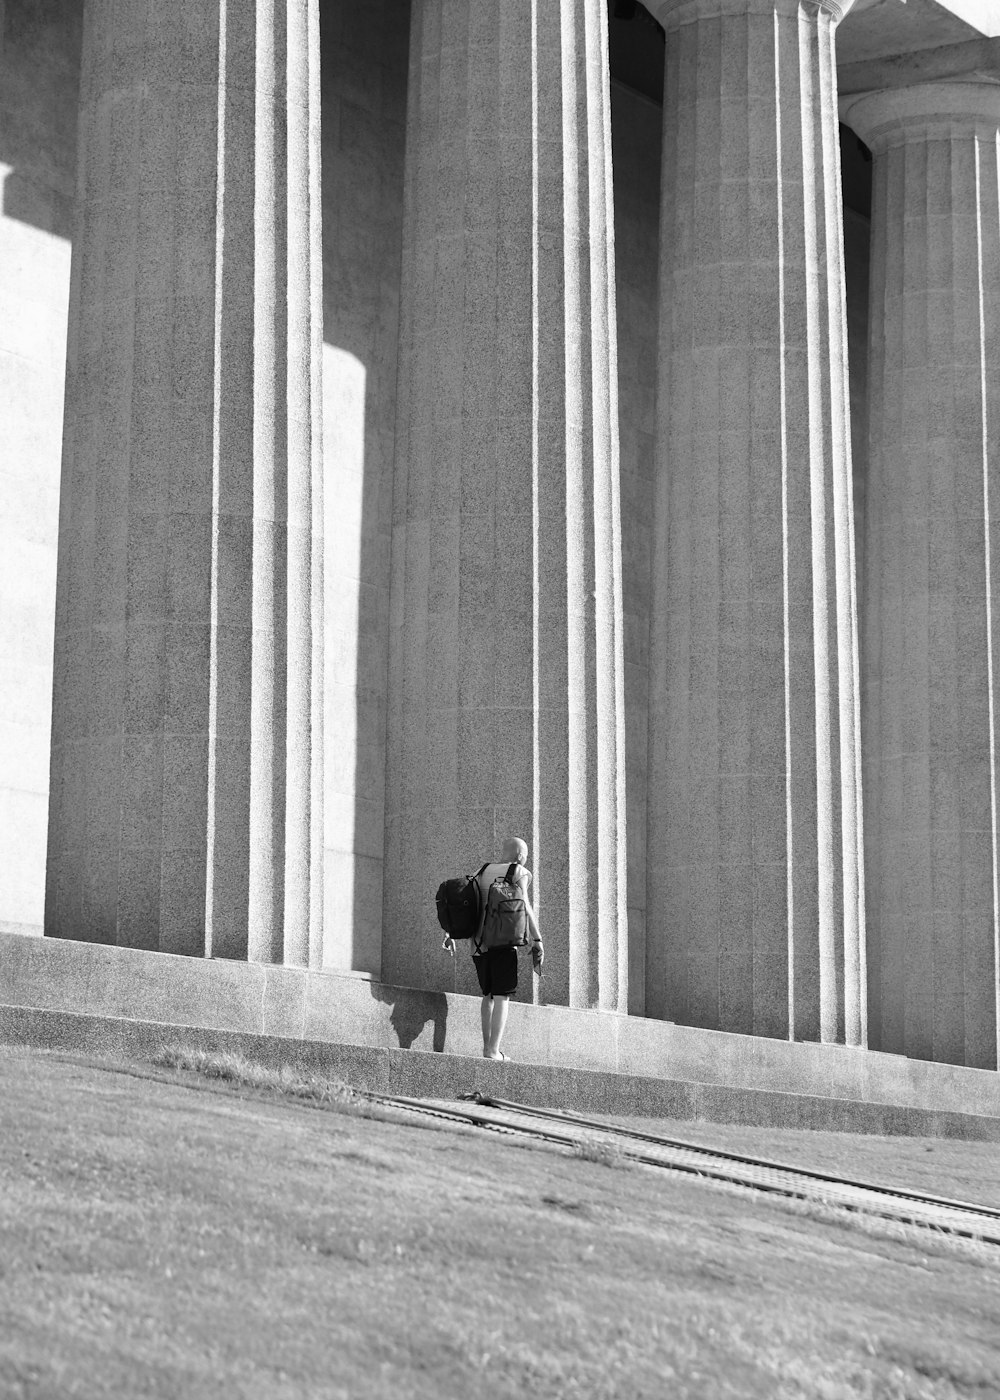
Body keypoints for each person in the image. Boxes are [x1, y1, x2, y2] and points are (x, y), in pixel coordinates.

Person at [442, 836, 543, 1060]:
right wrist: (537, 939)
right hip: (503, 941)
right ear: (520, 856)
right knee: (502, 997)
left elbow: (464, 902)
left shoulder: (482, 870)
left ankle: (487, 1047)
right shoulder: (520, 872)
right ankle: (493, 1050)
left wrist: (450, 933)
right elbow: (525, 905)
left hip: (477, 944)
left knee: (487, 995)